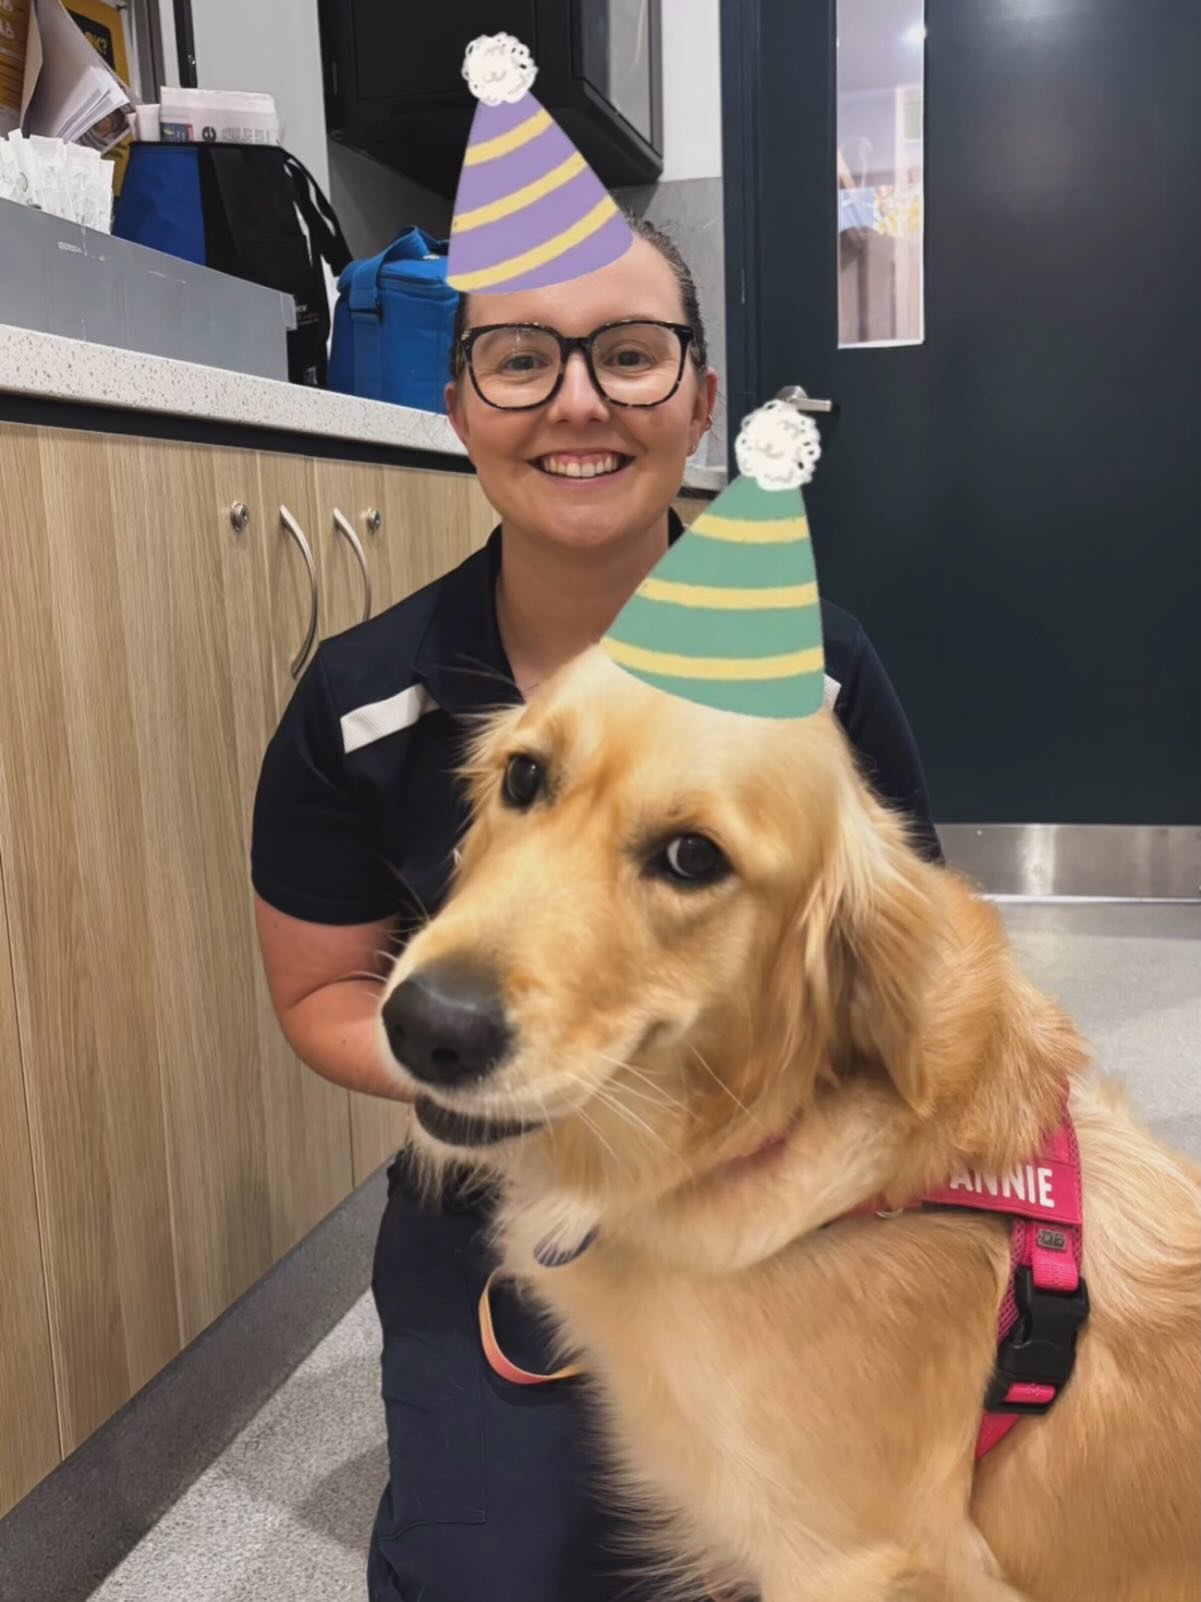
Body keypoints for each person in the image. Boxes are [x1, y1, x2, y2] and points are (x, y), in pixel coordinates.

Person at [251, 216, 942, 1602]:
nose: (576, 400)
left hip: (785, 1179)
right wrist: (500, 1073)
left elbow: (899, 985)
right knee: (501, 1573)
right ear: (457, 405)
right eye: (519, 359)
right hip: (498, 1189)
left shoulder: (819, 680)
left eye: (629, 355)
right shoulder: (364, 695)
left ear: (698, 401)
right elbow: (320, 990)